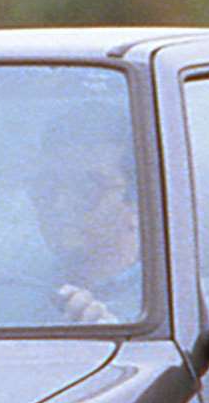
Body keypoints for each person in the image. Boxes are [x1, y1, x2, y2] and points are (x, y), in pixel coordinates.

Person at [27, 109, 144, 325]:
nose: (60, 205)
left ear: (139, 208)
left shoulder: (193, 302)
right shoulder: (12, 293)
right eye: (47, 187)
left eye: (87, 188)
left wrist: (114, 333)